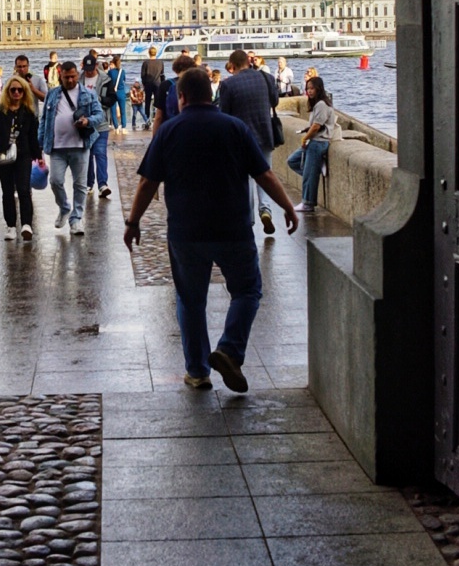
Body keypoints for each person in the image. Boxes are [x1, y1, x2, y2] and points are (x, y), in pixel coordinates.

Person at [123, 67, 297, 392]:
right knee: (247, 291)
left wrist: (133, 222)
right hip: (233, 227)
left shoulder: (169, 131)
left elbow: (148, 182)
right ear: (212, 94)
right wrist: (287, 207)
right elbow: (265, 175)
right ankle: (230, 349)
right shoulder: (235, 128)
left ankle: (198, 371)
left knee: (190, 301)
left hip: (186, 232)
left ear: (181, 96)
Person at [36, 59, 104, 236]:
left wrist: (88, 121)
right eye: (67, 77)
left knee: (80, 185)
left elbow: (99, 114)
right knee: (55, 181)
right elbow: (44, 120)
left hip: (80, 146)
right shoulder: (52, 94)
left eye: (73, 76)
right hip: (57, 147)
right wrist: (40, 143)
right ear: (61, 76)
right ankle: (64, 207)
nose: (71, 80)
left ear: (77, 75)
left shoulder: (87, 94)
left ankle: (76, 219)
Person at [219, 48, 280, 236]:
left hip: (241, 139)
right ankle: (266, 210)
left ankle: (250, 219)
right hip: (265, 133)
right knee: (265, 173)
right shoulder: (267, 78)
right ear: (248, 61)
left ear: (234, 66)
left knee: (246, 179)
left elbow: (224, 114)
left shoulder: (228, 85)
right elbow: (275, 102)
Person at [0, 75, 42, 240]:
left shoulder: (29, 113)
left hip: (23, 154)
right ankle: (10, 226)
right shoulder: (0, 111)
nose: (16, 93)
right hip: (2, 155)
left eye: (20, 90)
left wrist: (38, 155)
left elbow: (32, 136)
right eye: (13, 90)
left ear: (24, 92)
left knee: (23, 189)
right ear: (7, 92)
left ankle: (26, 224)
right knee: (7, 191)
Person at [287, 76, 336, 213]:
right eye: (307, 88)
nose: (309, 91)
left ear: (319, 88)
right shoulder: (317, 104)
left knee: (308, 173)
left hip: (318, 143)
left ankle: (307, 203)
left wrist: (305, 139)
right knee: (293, 161)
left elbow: (316, 126)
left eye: (312, 88)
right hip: (314, 142)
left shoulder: (321, 104)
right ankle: (315, 172)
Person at [80, 53, 112, 198]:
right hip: (84, 124)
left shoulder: (105, 79)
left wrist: (98, 99)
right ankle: (88, 183)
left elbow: (112, 99)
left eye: (91, 68)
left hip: (101, 123)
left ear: (96, 65)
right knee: (87, 154)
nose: (88, 71)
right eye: (86, 69)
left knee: (100, 154)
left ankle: (102, 184)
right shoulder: (78, 79)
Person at [151, 54, 196, 135]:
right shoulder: (197, 83)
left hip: (171, 131)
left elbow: (159, 117)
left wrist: (155, 140)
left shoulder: (166, 85)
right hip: (192, 129)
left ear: (175, 69)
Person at [140, 46, 165, 123]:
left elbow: (142, 75)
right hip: (158, 84)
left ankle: (147, 119)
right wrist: (162, 83)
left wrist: (144, 83)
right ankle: (156, 116)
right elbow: (162, 74)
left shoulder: (145, 63)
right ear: (156, 53)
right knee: (157, 101)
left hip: (148, 84)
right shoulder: (160, 63)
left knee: (147, 102)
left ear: (149, 53)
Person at [107, 53, 128, 133]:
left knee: (113, 111)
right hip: (121, 92)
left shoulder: (110, 72)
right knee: (123, 111)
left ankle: (116, 127)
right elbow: (124, 80)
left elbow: (108, 81)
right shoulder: (122, 71)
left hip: (113, 92)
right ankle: (124, 127)